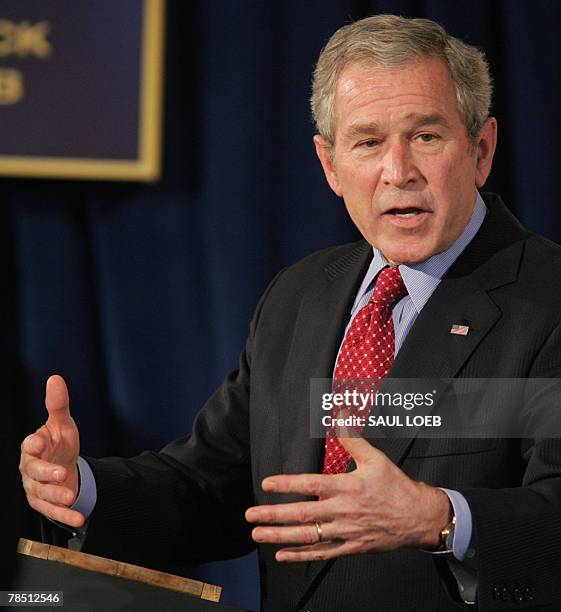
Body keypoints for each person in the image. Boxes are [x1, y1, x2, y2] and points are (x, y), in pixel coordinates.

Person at [19, 15, 561, 611]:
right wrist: (84, 488)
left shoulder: (546, 299)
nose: (397, 170)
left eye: (427, 136)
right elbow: (213, 485)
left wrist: (442, 519)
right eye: (368, 141)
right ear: (330, 165)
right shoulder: (300, 296)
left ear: (481, 150)